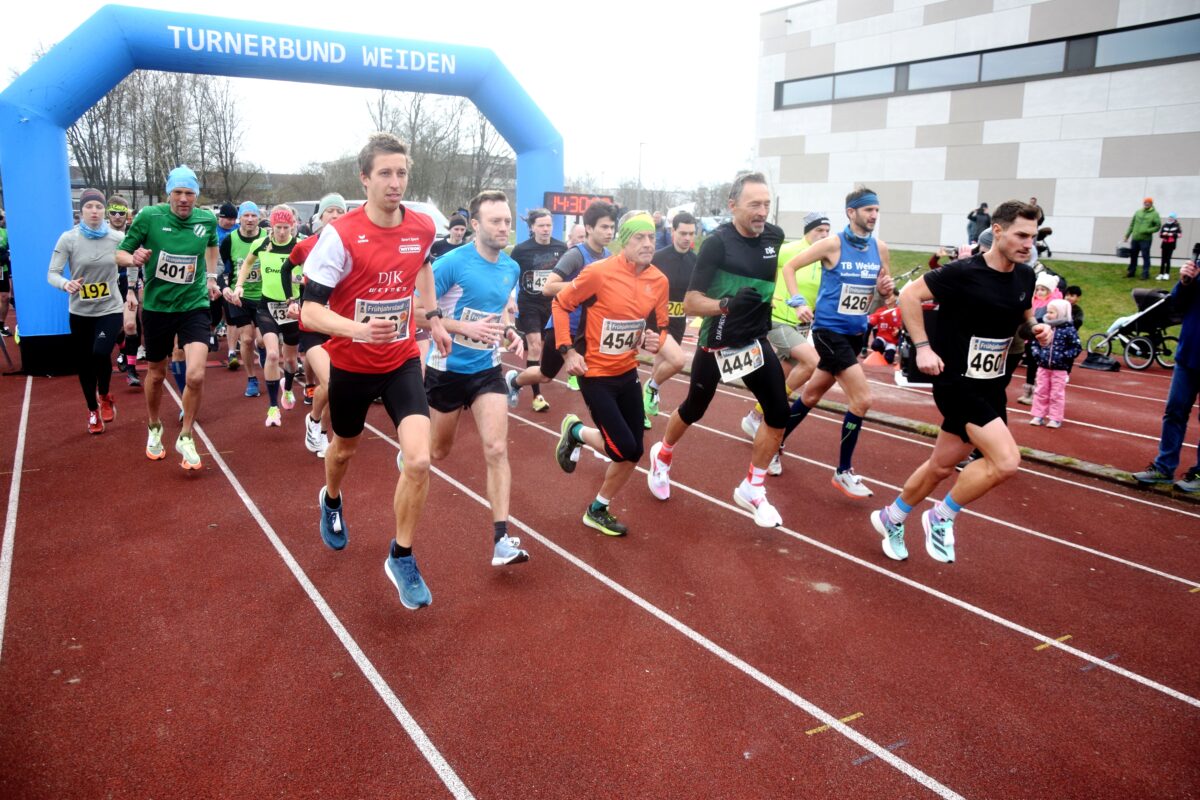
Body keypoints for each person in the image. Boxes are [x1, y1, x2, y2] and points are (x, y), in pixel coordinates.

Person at [301, 132, 451, 610]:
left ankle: (401, 555)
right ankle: (330, 498)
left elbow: (423, 267)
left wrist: (431, 315)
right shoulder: (340, 235)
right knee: (343, 450)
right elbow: (308, 313)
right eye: (384, 173)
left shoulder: (423, 227)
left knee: (420, 459)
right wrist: (357, 330)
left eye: (401, 172)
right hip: (351, 363)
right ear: (364, 179)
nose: (394, 182)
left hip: (402, 360)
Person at [870, 200, 1050, 562]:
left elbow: (1024, 314)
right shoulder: (962, 272)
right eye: (1020, 235)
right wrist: (922, 347)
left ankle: (893, 516)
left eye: (1032, 237)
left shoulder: (1025, 276)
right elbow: (908, 295)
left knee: (941, 465)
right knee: (1006, 461)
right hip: (956, 382)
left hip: (991, 385)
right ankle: (941, 516)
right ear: (997, 231)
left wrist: (1035, 329)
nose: (1028, 243)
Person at [645, 172, 789, 527]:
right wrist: (727, 304)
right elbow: (692, 303)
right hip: (718, 342)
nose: (762, 212)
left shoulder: (775, 236)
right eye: (754, 204)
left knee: (779, 412)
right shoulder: (717, 244)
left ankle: (753, 487)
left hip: (754, 340)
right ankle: (662, 456)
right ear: (733, 206)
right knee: (695, 408)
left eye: (767, 204)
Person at [425, 190, 529, 564]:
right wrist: (457, 326)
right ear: (475, 225)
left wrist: (508, 330)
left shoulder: (510, 268)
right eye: (495, 221)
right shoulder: (451, 264)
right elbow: (420, 313)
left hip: (486, 369)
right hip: (447, 370)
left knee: (497, 448)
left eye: (507, 221)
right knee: (438, 451)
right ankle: (412, 456)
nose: (504, 228)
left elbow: (498, 313)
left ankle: (501, 540)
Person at [773, 186, 896, 499]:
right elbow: (790, 267)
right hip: (829, 332)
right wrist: (798, 301)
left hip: (857, 334)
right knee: (863, 399)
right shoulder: (832, 244)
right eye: (868, 210)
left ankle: (774, 441)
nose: (873, 216)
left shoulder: (880, 248)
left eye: (877, 211)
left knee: (812, 394)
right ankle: (843, 471)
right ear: (851, 213)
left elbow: (886, 295)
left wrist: (886, 290)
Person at [553, 211, 668, 536]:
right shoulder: (599, 273)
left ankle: (597, 509)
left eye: (651, 237)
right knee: (623, 449)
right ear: (623, 241)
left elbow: (662, 325)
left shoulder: (658, 280)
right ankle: (576, 431)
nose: (648, 244)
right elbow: (560, 305)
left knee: (634, 452)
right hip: (595, 373)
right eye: (639, 238)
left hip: (627, 372)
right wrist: (567, 351)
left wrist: (654, 340)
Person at [115, 166, 221, 469]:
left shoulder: (207, 219)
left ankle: (186, 435)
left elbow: (212, 244)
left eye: (190, 193)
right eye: (178, 193)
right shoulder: (150, 216)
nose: (184, 199)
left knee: (196, 374)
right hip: (159, 308)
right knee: (157, 374)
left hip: (194, 304)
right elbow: (120, 253)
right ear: (169, 194)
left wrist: (211, 277)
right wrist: (133, 258)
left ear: (196, 196)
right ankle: (153, 425)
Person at [740, 210, 829, 464]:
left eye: (826, 231)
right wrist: (764, 295)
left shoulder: (825, 258)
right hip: (778, 319)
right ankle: (766, 411)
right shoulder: (790, 250)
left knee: (783, 374)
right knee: (811, 362)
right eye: (818, 231)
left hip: (802, 327)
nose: (823, 235)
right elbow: (761, 265)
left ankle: (755, 417)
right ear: (807, 232)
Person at [505, 202, 616, 400]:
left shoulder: (609, 257)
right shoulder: (575, 255)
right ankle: (514, 381)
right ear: (590, 228)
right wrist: (583, 286)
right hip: (563, 327)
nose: (609, 232)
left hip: (590, 328)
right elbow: (548, 287)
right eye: (604, 227)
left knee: (596, 374)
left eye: (612, 227)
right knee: (546, 375)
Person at [47, 188, 131, 433]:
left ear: (104, 210)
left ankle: (104, 394)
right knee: (84, 362)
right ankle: (93, 409)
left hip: (109, 307)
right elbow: (52, 273)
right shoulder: (69, 239)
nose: (94, 211)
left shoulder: (117, 238)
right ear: (81, 210)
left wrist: (132, 291)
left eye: (98, 207)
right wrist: (66, 283)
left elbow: (133, 261)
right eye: (89, 207)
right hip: (81, 311)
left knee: (100, 352)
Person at [1132, 259, 1200, 494]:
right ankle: (1164, 467)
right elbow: (1177, 305)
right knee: (1174, 412)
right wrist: (1184, 282)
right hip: (1188, 356)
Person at [286, 192, 346, 457]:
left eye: (339, 211)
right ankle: (315, 422)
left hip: (340, 327)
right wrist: (291, 297)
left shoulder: (351, 245)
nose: (334, 216)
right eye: (329, 211)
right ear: (320, 217)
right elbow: (286, 269)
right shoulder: (306, 245)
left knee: (339, 386)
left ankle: (320, 430)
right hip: (312, 327)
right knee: (331, 382)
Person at [232, 206, 301, 427]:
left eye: (286, 228)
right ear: (271, 226)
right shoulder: (261, 243)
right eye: (278, 227)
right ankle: (273, 408)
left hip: (292, 308)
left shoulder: (299, 246)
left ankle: (287, 388)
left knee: (290, 360)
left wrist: (300, 282)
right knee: (272, 355)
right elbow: (248, 264)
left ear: (293, 226)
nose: (282, 232)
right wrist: (239, 285)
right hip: (267, 306)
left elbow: (311, 272)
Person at [510, 207, 566, 412]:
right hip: (529, 304)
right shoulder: (521, 250)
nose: (545, 229)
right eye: (541, 225)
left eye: (549, 225)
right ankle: (537, 395)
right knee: (534, 346)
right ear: (532, 227)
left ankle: (519, 380)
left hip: (553, 305)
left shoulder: (562, 247)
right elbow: (509, 274)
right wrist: (509, 299)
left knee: (552, 345)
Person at [641, 211, 695, 427]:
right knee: (676, 360)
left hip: (679, 320)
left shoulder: (696, 260)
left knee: (661, 363)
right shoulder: (658, 257)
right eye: (683, 233)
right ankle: (652, 387)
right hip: (656, 321)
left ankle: (642, 409)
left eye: (691, 233)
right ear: (673, 232)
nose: (687, 238)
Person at [218, 202, 268, 391]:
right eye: (246, 215)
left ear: (258, 218)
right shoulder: (230, 240)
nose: (249, 219)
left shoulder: (267, 237)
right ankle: (252, 379)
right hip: (239, 296)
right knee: (246, 339)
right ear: (240, 218)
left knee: (262, 340)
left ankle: (262, 349)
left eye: (253, 216)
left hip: (264, 296)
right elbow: (220, 267)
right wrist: (224, 288)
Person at [107, 194, 142, 386]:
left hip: (128, 282)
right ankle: (122, 347)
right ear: (108, 213)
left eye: (121, 213)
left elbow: (136, 261)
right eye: (113, 212)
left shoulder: (133, 233)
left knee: (130, 325)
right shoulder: (101, 234)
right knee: (111, 327)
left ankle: (131, 369)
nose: (117, 216)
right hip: (106, 286)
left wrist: (132, 286)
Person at [1028, 299, 1081, 429]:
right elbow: (1035, 342)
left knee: (1056, 394)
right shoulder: (1044, 326)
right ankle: (1038, 415)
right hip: (1043, 366)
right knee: (1041, 390)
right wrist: (1038, 355)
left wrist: (1064, 357)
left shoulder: (1069, 330)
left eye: (1051, 312)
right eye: (1048, 311)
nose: (1048, 314)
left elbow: (1076, 347)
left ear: (1062, 313)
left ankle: (1055, 418)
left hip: (1060, 369)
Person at [1016, 273, 1062, 405]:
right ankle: (1028, 391)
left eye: (1043, 289)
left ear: (1050, 291)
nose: (1039, 292)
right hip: (1031, 341)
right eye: (1038, 289)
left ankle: (1040, 393)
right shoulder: (1032, 302)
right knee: (1031, 366)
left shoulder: (1052, 305)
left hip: (1043, 341)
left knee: (1041, 369)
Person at [1124, 197, 1161, 279]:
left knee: (1145, 256)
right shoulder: (1138, 212)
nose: (1147, 203)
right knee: (1133, 255)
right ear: (1143, 203)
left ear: (1151, 204)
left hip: (1146, 240)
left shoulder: (1154, 214)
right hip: (1135, 238)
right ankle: (1131, 272)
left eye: (1148, 202)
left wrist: (1147, 230)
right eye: (1145, 202)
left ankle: (1145, 273)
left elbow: (1158, 226)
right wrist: (1127, 235)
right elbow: (1132, 224)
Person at [1159, 212, 1182, 281]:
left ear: (1174, 219)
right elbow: (1160, 234)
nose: (1170, 219)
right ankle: (1161, 274)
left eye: (1172, 218)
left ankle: (1166, 274)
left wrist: (1171, 234)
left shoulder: (1177, 226)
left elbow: (1179, 235)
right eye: (1169, 217)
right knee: (1163, 259)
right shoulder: (1164, 225)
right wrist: (1164, 234)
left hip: (1171, 245)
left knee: (1168, 259)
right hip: (1164, 244)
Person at [0, 208, 12, 337]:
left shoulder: (5, 232)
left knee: (5, 297)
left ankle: (1, 326)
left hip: (2, 269)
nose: (2, 220)